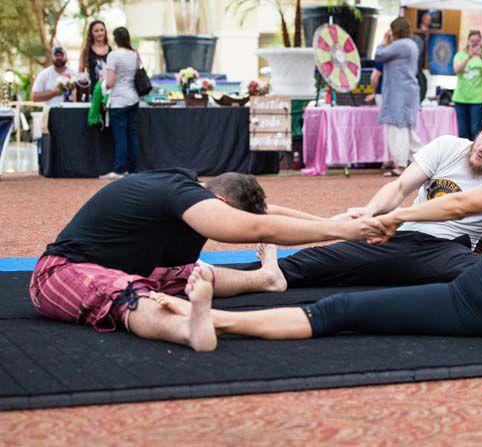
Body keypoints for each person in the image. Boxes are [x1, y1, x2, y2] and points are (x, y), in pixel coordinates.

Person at [153, 116, 482, 345]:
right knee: (317, 270)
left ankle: (211, 320)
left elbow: (460, 205)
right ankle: (218, 286)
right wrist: (372, 220)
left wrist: (393, 219)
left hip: (473, 287)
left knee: (339, 310)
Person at [185, 108, 482, 297]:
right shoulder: (449, 146)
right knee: (312, 264)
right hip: (403, 238)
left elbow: (465, 211)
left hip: (446, 250)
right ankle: (194, 283)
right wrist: (373, 213)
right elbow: (401, 186)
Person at [29, 168, 386, 351]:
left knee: (190, 273)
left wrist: (333, 222)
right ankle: (187, 330)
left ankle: (265, 279)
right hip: (61, 272)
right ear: (222, 204)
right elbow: (251, 226)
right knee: (129, 292)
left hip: (125, 264)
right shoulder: (180, 195)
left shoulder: (199, 195)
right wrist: (346, 234)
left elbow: (268, 213)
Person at [375, 17, 422, 177]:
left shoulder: (400, 45)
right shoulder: (412, 44)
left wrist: (384, 40)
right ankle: (420, 160)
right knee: (407, 129)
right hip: (407, 92)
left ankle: (401, 165)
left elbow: (379, 55)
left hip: (399, 93)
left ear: (395, 30)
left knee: (399, 127)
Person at [100, 27, 140, 180]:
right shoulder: (134, 54)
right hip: (133, 98)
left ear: (116, 38)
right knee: (132, 135)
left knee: (120, 136)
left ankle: (118, 170)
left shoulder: (113, 55)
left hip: (118, 100)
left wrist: (101, 85)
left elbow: (110, 82)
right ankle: (133, 169)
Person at [453, 30, 482, 141]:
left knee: (476, 130)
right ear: (468, 41)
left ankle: (475, 155)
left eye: (477, 41)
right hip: (461, 99)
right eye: (472, 41)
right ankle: (462, 156)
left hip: (478, 99)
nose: (474, 43)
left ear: (481, 42)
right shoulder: (460, 55)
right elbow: (456, 70)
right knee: (462, 131)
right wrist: (468, 57)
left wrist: (481, 57)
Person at [79, 20, 112, 90]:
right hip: (93, 92)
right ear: (91, 33)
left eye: (102, 30)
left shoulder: (111, 50)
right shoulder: (86, 50)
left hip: (109, 92)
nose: (100, 33)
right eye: (96, 31)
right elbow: (80, 73)